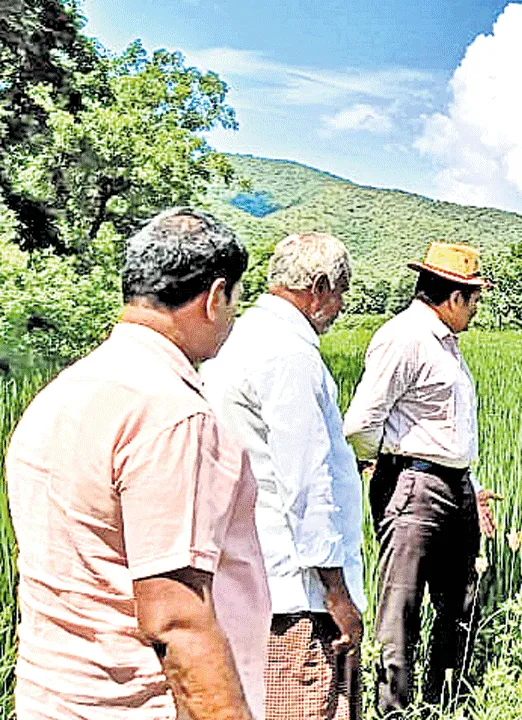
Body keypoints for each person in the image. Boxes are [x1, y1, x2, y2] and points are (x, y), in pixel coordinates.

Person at [5, 208, 269, 719]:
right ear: (215, 298)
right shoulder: (172, 413)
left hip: (54, 697)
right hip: (138, 705)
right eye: (236, 299)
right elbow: (176, 619)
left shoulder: (62, 393)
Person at [201, 233, 365, 720]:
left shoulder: (240, 340)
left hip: (253, 572)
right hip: (298, 591)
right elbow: (306, 483)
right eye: (339, 295)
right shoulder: (290, 355)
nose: (338, 309)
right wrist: (335, 591)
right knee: (308, 704)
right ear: (317, 288)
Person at [342, 242, 497, 713]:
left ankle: (445, 703)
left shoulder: (444, 344)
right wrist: (384, 465)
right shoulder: (404, 337)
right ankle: (396, 710)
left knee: (461, 604)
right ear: (453, 298)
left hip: (452, 486)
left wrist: (465, 485)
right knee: (402, 609)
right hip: (414, 485)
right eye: (473, 299)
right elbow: (360, 423)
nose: (475, 310)